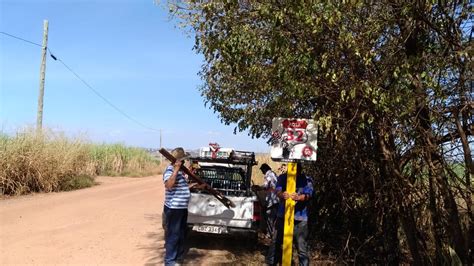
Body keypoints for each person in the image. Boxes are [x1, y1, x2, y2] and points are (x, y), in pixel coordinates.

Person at [271, 163, 313, 266]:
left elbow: (309, 195)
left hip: (300, 219)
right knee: (276, 243)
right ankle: (273, 263)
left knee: (301, 247)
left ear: (300, 169)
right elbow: (277, 191)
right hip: (283, 217)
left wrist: (299, 197)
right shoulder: (282, 177)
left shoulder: (307, 180)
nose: (295, 171)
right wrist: (282, 194)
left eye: (297, 169)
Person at [162, 147, 192, 266]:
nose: (183, 162)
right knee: (173, 235)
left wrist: (192, 186)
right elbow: (169, 185)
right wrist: (176, 170)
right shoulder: (170, 170)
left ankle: (178, 259)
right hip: (174, 209)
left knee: (181, 234)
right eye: (182, 160)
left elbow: (180, 187)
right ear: (177, 161)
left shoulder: (180, 172)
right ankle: (170, 262)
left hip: (181, 208)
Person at [259, 163, 279, 238]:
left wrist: (259, 188)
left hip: (272, 200)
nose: (262, 172)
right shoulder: (273, 174)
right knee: (272, 218)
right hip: (275, 200)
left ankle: (271, 234)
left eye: (262, 170)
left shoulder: (269, 175)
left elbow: (266, 185)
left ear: (264, 169)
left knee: (270, 217)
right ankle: (271, 233)